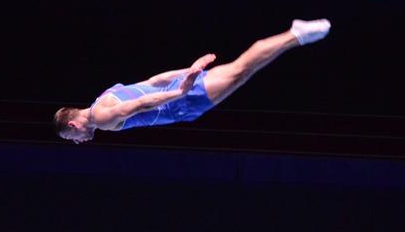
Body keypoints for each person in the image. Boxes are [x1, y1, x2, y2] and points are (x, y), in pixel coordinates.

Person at [54, 18, 332, 143]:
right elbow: (152, 81)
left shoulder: (101, 118)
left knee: (241, 71)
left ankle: (297, 35)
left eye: (72, 136)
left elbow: (142, 103)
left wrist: (182, 90)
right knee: (242, 71)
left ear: (73, 124)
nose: (78, 140)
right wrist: (187, 72)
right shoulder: (104, 96)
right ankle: (296, 36)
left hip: (180, 102)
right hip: (179, 92)